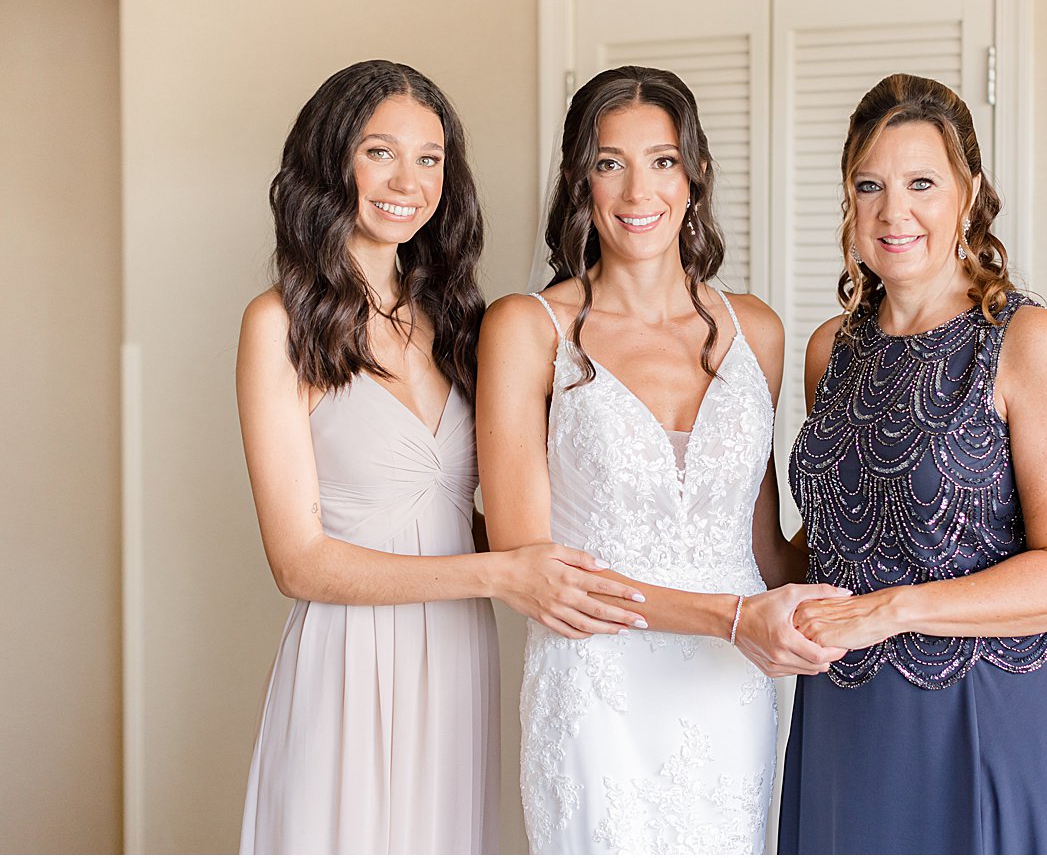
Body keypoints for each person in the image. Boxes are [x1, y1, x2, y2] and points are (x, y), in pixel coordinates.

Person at [235, 60, 647, 854]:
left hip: (457, 659)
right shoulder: (277, 324)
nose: (408, 180)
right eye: (380, 151)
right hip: (348, 662)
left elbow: (494, 501)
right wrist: (499, 573)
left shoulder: (458, 318)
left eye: (430, 159)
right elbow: (299, 561)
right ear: (333, 162)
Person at [477, 65, 849, 854]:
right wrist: (728, 616)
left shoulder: (760, 333)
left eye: (662, 160)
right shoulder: (526, 328)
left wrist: (886, 523)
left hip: (730, 692)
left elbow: (764, 546)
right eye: (609, 162)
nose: (637, 190)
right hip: (596, 690)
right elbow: (529, 565)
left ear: (695, 173)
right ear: (581, 180)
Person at [778, 73, 1047, 854]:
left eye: (921, 182)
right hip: (846, 717)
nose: (895, 211)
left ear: (967, 195)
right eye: (871, 185)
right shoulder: (831, 349)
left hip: (990, 711)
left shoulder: (1026, 342)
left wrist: (891, 609)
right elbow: (823, 548)